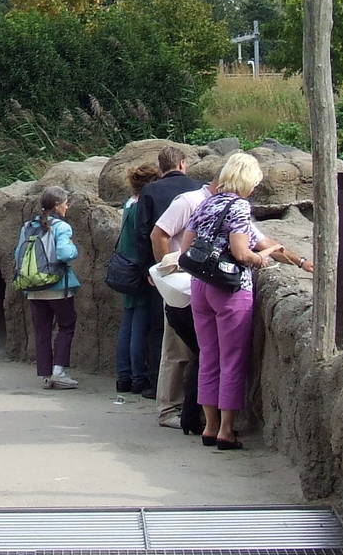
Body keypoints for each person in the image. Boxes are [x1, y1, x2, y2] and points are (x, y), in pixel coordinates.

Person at [185, 151, 312, 451]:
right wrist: (262, 259)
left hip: (200, 285)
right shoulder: (240, 206)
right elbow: (244, 251)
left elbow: (188, 246)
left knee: (209, 357)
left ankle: (210, 426)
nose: (255, 188)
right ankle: (226, 430)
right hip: (230, 287)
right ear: (247, 181)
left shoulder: (207, 202)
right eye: (255, 182)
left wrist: (298, 260)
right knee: (232, 360)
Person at [138, 147, 209, 428]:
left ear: (160, 166)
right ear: (183, 163)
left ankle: (169, 406)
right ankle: (197, 409)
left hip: (171, 278)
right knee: (197, 348)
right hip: (197, 277)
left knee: (172, 344)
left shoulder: (151, 192)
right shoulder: (196, 193)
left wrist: (157, 268)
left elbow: (147, 234)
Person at [20, 185, 82, 390]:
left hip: (33, 288)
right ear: (57, 205)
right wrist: (74, 250)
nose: (67, 206)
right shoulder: (62, 227)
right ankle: (59, 372)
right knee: (66, 326)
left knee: (42, 330)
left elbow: (17, 255)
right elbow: (65, 254)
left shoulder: (28, 226)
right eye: (65, 203)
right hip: (57, 287)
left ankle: (46, 375)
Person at [113, 163, 162, 399]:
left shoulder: (128, 203)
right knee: (140, 327)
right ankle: (138, 377)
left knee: (128, 323)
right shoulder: (142, 206)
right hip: (138, 269)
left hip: (125, 268)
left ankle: (124, 375)